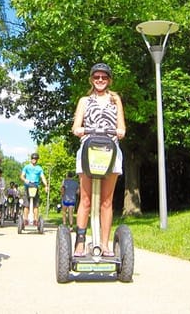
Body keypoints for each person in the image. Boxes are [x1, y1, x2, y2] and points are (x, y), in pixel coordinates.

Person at [71, 63, 126, 257]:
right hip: (89, 149)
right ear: (92, 79)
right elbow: (76, 126)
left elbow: (122, 127)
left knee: (106, 201)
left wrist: (120, 132)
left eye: (104, 77)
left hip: (110, 151)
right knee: (85, 199)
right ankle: (80, 242)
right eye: (97, 77)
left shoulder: (115, 99)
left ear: (109, 80)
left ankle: (104, 244)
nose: (100, 80)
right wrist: (79, 130)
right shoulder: (84, 101)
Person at [20, 152, 48, 225]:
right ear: (31, 159)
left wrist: (46, 185)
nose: (34, 160)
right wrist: (25, 180)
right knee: (26, 204)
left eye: (35, 159)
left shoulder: (39, 168)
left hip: (35, 187)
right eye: (33, 158)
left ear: (37, 160)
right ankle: (25, 219)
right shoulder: (26, 167)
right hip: (27, 186)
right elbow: (22, 176)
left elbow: (43, 177)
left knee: (36, 205)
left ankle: (36, 220)